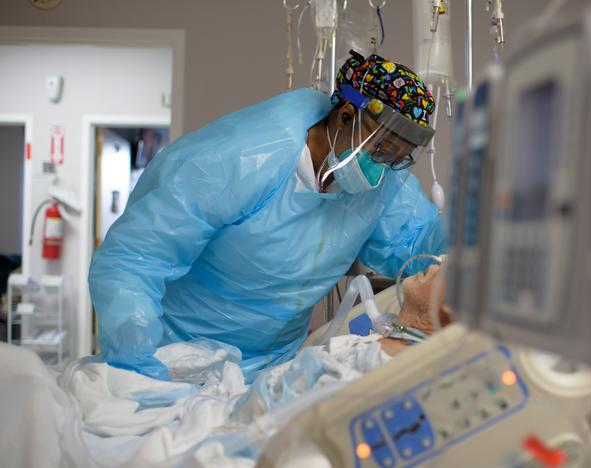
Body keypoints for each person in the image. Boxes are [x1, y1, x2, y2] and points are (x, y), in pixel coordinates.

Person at [89, 50, 445, 382]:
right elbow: (135, 259)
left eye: (398, 158)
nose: (383, 168)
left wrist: (471, 229)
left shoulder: (384, 183)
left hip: (275, 368)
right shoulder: (242, 157)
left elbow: (419, 247)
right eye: (381, 148)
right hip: (174, 355)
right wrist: (136, 357)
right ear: (345, 116)